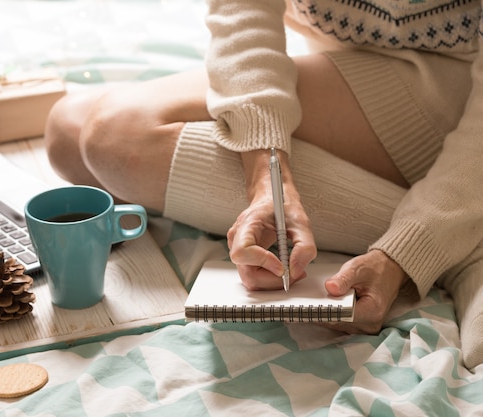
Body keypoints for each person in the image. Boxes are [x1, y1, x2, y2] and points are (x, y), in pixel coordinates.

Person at [44, 0, 483, 369]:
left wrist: (404, 253)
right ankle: (458, 229)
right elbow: (244, 9)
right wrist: (269, 179)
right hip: (359, 58)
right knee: (68, 133)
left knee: (118, 139)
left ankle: (460, 242)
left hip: (459, 82)